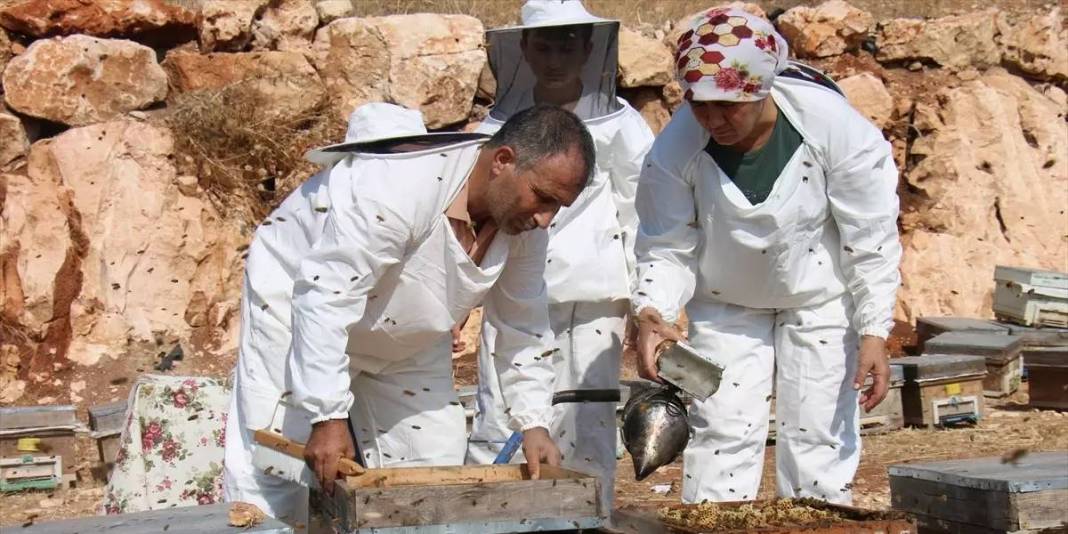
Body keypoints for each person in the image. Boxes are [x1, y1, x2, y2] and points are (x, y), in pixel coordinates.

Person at [223, 102, 595, 523]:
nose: (546, 219)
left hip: (410, 336)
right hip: (298, 311)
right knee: (276, 468)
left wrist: (534, 423)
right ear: (503, 162)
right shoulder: (399, 185)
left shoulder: (526, 228)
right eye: (543, 198)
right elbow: (326, 294)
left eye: (558, 207)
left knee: (431, 472)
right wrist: (327, 415)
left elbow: (522, 324)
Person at [632, 8, 902, 505]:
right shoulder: (674, 151)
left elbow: (870, 239)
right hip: (725, 303)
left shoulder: (836, 132)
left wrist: (874, 331)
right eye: (700, 105)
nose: (713, 120)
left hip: (820, 299)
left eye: (727, 105)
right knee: (720, 431)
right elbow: (665, 243)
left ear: (761, 89)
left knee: (819, 432)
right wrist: (654, 311)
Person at [464, 0, 655, 515]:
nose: (555, 55)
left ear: (589, 46)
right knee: (504, 415)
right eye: (544, 43)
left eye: (568, 42)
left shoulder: (622, 124)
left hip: (595, 297)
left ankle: (591, 520)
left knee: (589, 425)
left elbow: (642, 213)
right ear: (523, 48)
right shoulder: (500, 128)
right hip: (518, 292)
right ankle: (497, 520)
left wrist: (646, 302)